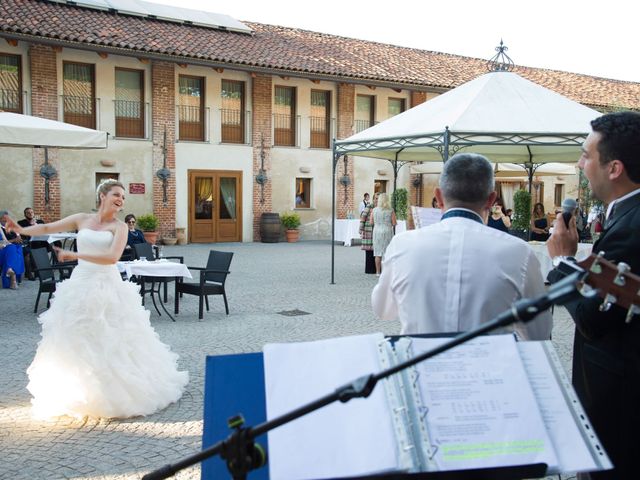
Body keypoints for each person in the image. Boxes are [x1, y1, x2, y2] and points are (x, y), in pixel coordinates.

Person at [6, 179, 188, 419]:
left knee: (113, 336)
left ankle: (116, 392)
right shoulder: (82, 219)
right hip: (81, 283)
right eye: (116, 194)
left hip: (107, 284)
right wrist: (20, 230)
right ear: (102, 195)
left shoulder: (120, 227)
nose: (120, 199)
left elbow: (112, 258)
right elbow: (48, 228)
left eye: (123, 196)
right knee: (76, 335)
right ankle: (78, 391)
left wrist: (73, 254)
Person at [546, 111, 640, 480]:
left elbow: (592, 318)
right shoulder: (626, 216)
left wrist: (563, 261)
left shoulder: (631, 227)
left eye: (586, 155)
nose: (580, 164)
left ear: (614, 167)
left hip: (618, 402)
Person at [372, 153, 552, 340]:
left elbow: (383, 309)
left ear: (438, 197)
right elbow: (538, 332)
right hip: (491, 365)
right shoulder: (518, 252)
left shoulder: (403, 245)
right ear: (491, 200)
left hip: (419, 364)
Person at [371, 192, 396, 276]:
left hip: (377, 231)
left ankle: (378, 272)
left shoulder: (374, 210)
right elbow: (394, 223)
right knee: (387, 252)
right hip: (387, 231)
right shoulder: (391, 210)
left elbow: (371, 222)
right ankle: (386, 272)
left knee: (378, 252)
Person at [18, 207, 46, 280]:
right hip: (27, 243)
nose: (30, 214)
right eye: (28, 213)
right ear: (25, 215)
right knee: (27, 253)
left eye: (32, 212)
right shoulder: (21, 223)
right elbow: (22, 233)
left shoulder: (40, 221)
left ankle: (40, 272)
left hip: (39, 243)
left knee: (55, 245)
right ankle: (28, 273)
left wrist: (35, 224)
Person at [0, 210, 25, 289]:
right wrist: (13, 240)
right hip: (2, 251)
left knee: (17, 248)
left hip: (13, 249)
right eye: (3, 219)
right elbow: (2, 243)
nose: (6, 220)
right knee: (12, 248)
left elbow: (19, 238)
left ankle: (10, 271)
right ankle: (14, 279)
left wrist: (18, 239)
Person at [359, 193, 376, 274]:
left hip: (376, 231)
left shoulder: (380, 207)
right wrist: (361, 229)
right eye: (375, 198)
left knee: (376, 249)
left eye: (378, 198)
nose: (377, 200)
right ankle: (369, 269)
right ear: (373, 199)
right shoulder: (369, 206)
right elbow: (363, 217)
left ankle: (376, 268)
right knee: (369, 250)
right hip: (368, 230)